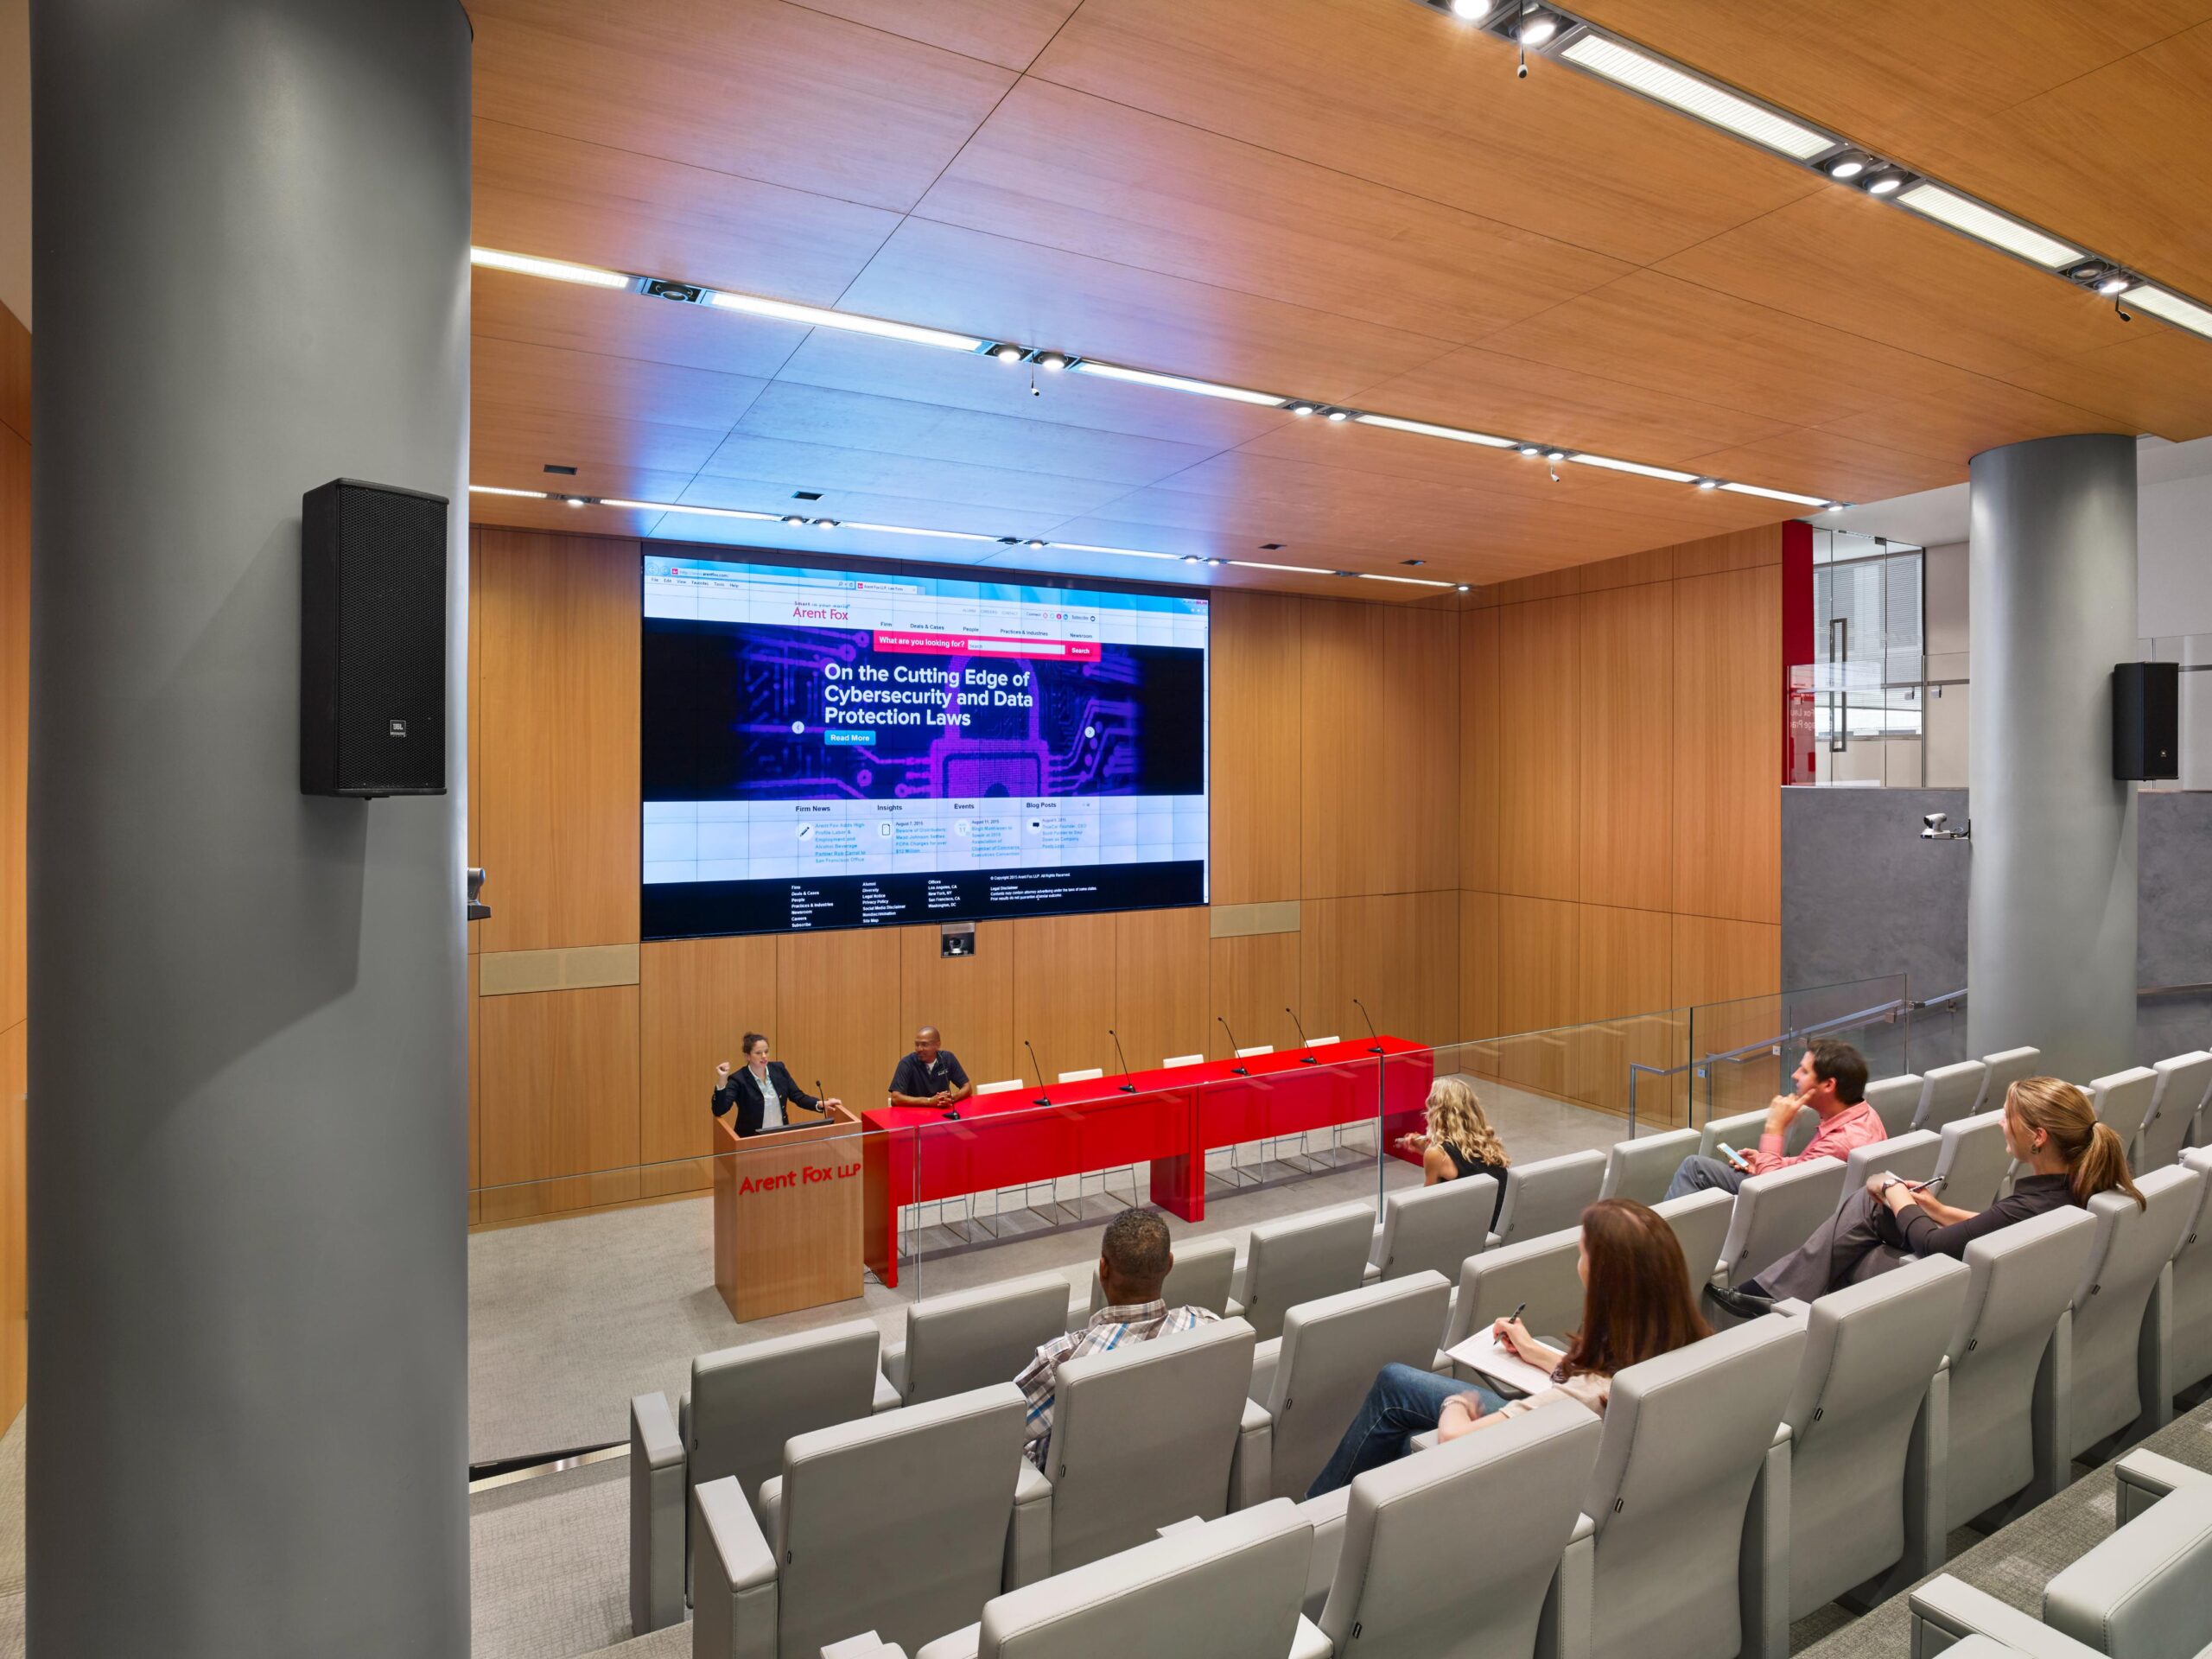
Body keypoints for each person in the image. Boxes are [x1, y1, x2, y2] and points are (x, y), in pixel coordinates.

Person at [1304, 1198, 1711, 1497]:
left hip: (1544, 1474)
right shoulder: (1684, 1342)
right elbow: (1603, 1376)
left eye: (1582, 1253)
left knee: (1394, 1386)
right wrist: (1535, 1351)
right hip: (1580, 1450)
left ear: (1605, 1279)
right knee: (1399, 1437)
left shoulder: (1579, 1399)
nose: (1578, 1261)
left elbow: (1457, 1440)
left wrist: (1456, 1406)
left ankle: (1316, 1511)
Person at [1713, 1076, 2145, 1313]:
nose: (1999, 1124)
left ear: (2038, 1138)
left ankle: (1775, 1298)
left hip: (1960, 1298)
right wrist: (1935, 1207)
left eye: (2008, 1117)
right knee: (1863, 1225)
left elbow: (1935, 1245)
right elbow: (1988, 1227)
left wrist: (1898, 1194)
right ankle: (1778, 1295)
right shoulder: (2068, 1191)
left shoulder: (2036, 1203)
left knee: (1866, 1215)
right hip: (2002, 1295)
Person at [1014, 1207, 1220, 1470]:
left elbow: (999, 1435)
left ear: (1103, 1269)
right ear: (1169, 1265)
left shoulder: (1063, 1361)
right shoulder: (1208, 1327)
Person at [1662, 1039, 1882, 1200]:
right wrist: (1765, 1160)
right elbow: (1809, 1166)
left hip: (1795, 1212)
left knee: (1693, 1168)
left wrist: (1774, 1129)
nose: (1795, 1075)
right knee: (1697, 1165)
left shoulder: (1840, 1143)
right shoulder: (1865, 1114)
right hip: (1809, 1198)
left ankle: (1664, 1256)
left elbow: (1772, 1191)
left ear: (1828, 1085)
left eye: (1804, 1072)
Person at [1394, 1075, 1510, 1227]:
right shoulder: (1488, 1145)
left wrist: (1431, 1151)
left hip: (1468, 1235)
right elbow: (1464, 1165)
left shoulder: (1436, 1155)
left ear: (1438, 1113)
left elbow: (1424, 1208)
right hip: (1497, 1228)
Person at [712, 1033, 839, 1137]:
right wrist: (722, 1078)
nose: (764, 1056)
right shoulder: (738, 1079)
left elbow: (797, 1096)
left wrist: (819, 1104)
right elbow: (719, 1109)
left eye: (766, 1052)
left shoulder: (779, 1069)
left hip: (780, 1135)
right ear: (747, 1056)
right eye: (758, 1053)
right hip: (751, 1140)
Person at [887, 1025, 972, 1109]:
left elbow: (967, 1087)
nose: (919, 1049)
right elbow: (895, 1099)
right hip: (915, 1115)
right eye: (917, 1044)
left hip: (942, 1114)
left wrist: (951, 1099)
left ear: (937, 1045)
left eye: (924, 1045)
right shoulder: (906, 1063)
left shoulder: (947, 1058)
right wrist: (929, 1101)